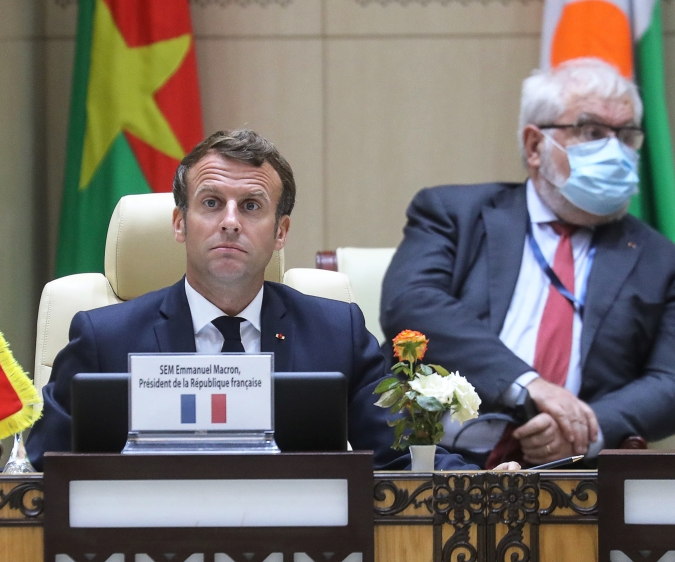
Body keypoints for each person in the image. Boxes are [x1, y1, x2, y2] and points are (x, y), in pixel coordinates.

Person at [26, 129, 519, 472]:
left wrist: (477, 479)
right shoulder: (105, 336)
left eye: (252, 206)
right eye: (212, 203)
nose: (231, 221)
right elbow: (46, 456)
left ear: (280, 231)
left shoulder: (336, 330)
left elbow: (401, 451)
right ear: (180, 224)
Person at [380, 58, 675, 468]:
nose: (615, 152)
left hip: (572, 477)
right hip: (439, 460)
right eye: (592, 132)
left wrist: (584, 427)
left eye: (626, 135)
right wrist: (527, 385)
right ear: (535, 146)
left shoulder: (662, 260)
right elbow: (411, 303)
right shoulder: (454, 214)